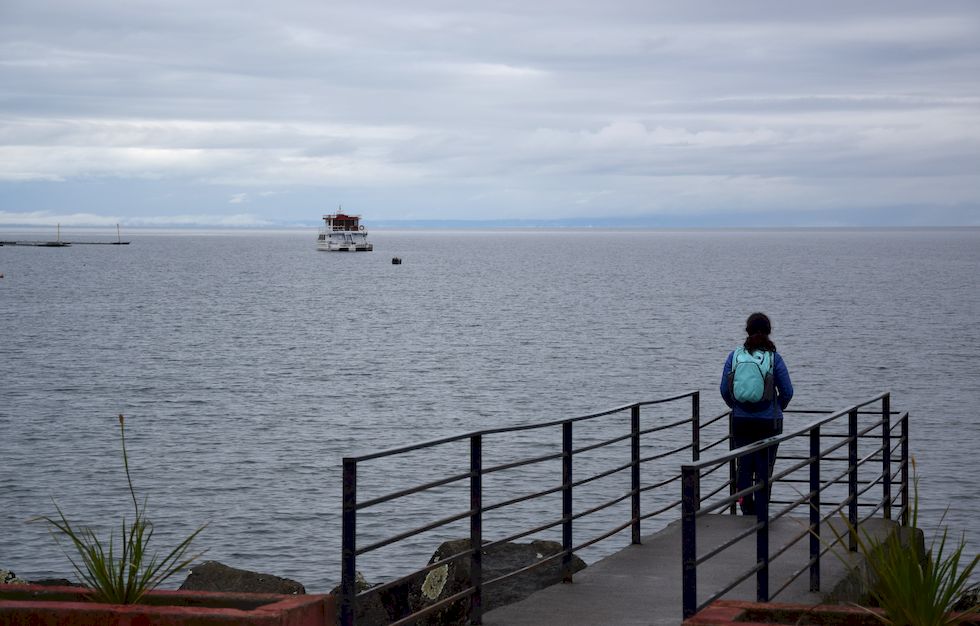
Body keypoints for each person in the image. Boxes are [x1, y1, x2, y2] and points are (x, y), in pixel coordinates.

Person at [720, 312, 793, 515]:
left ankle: (745, 509)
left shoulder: (734, 356)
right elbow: (788, 391)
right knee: (764, 468)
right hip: (768, 422)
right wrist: (778, 408)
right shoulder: (773, 358)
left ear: (747, 331)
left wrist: (736, 406)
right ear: (768, 333)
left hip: (741, 420)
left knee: (743, 465)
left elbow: (724, 390)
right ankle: (761, 512)